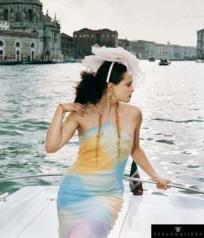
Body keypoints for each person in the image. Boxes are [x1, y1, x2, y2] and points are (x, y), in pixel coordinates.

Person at [45, 45, 170, 238]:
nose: (133, 89)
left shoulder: (134, 114)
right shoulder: (82, 113)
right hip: (73, 193)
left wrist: (156, 177)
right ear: (111, 87)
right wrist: (60, 110)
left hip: (108, 196)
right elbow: (51, 147)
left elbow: (135, 150)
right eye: (128, 84)